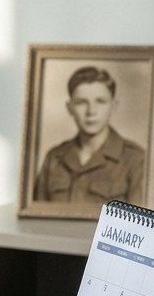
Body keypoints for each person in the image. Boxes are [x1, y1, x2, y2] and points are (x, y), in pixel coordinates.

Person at [33, 65, 146, 204]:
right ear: (70, 108)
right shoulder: (54, 158)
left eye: (100, 102)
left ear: (113, 106)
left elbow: (138, 223)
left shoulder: (135, 160)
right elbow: (36, 219)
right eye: (81, 102)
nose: (91, 111)